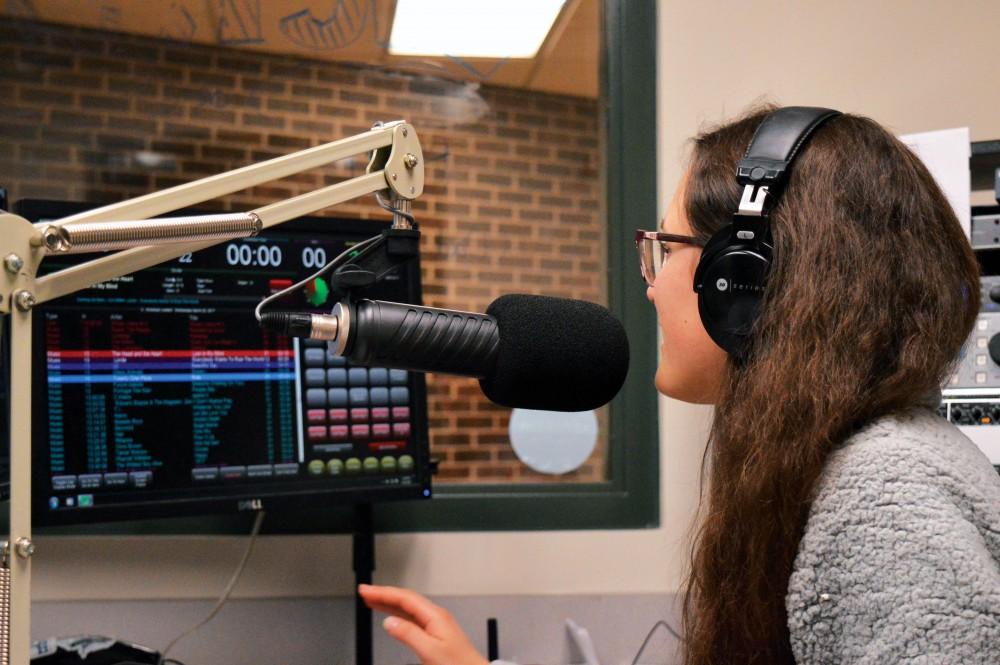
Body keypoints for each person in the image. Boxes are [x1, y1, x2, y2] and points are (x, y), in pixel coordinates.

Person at [358, 106, 1000, 665]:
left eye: (666, 248)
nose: (653, 283)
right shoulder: (847, 463)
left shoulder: (882, 496)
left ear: (744, 281)